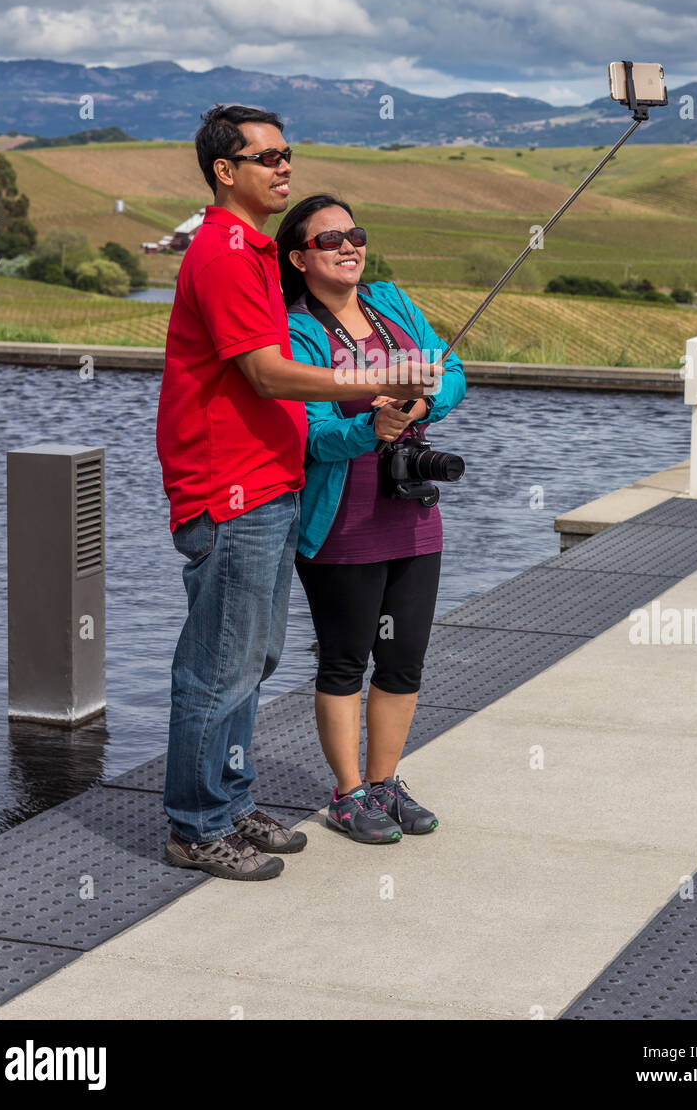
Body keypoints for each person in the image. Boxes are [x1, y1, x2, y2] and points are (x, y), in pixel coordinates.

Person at [155, 108, 441, 881]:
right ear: (224, 170)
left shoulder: (251, 252)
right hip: (230, 488)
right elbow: (266, 374)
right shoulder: (219, 251)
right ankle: (196, 825)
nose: (284, 166)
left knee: (253, 657)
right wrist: (379, 378)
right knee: (219, 664)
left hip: (270, 487)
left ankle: (231, 797)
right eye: (267, 156)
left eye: (288, 153)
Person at [277, 194, 466, 844]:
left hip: (411, 516)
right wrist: (369, 425)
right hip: (342, 525)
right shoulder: (296, 330)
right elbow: (312, 435)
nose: (348, 245)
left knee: (404, 660)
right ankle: (348, 794)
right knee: (344, 662)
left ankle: (385, 782)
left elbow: (455, 370)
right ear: (300, 258)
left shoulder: (393, 301)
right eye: (329, 240)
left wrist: (420, 408)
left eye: (353, 233)